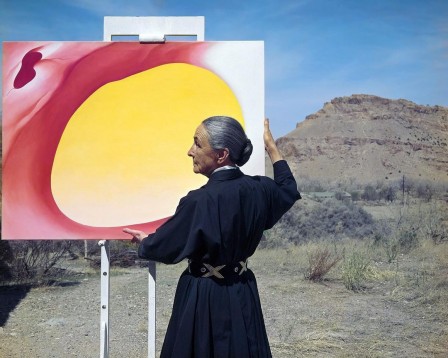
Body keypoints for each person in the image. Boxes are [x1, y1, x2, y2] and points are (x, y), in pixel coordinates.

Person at [123, 116, 300, 358]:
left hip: (204, 296)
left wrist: (146, 242)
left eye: (197, 144)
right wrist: (271, 147)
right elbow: (288, 188)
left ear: (221, 154)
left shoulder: (199, 201)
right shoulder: (261, 190)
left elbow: (165, 247)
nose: (190, 151)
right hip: (243, 290)